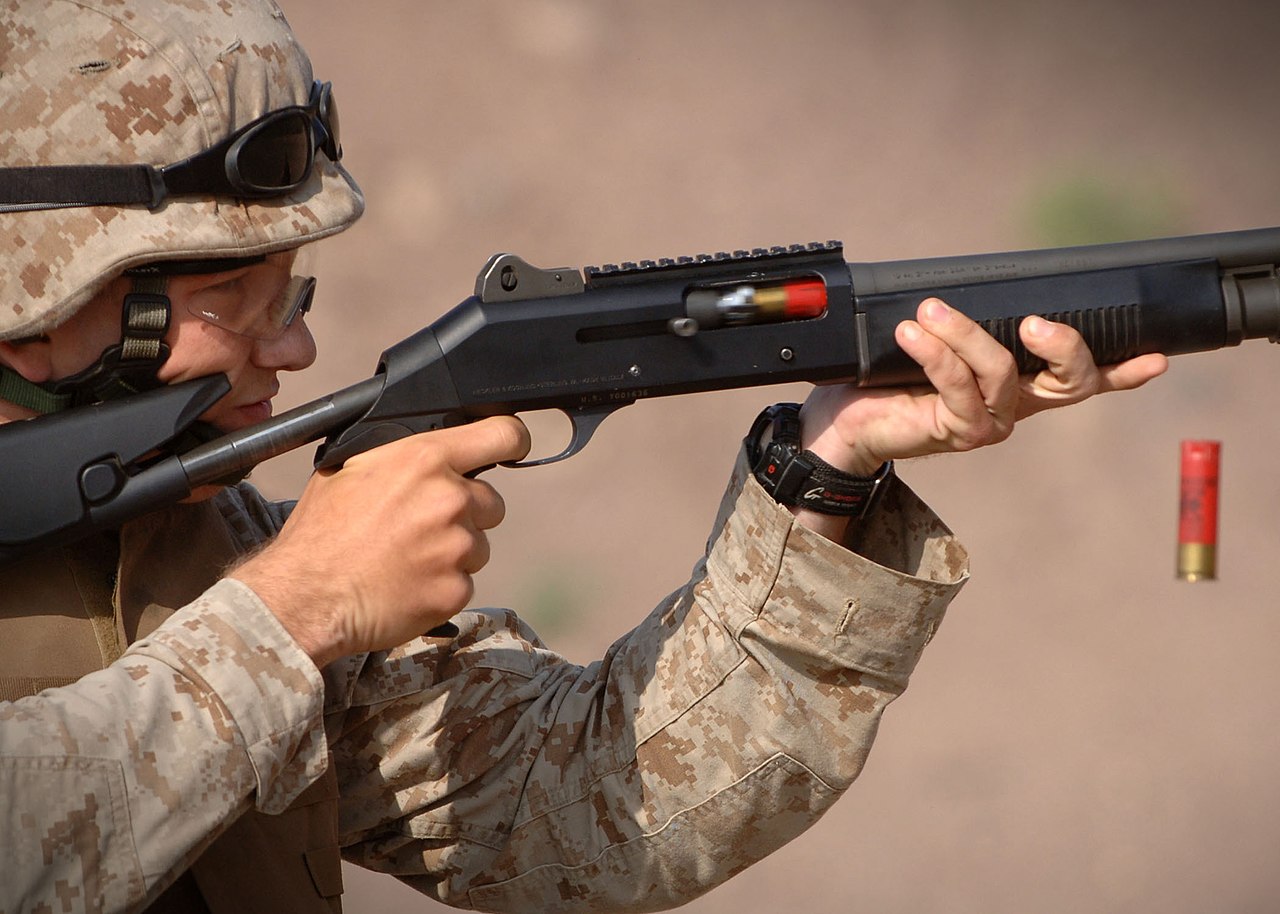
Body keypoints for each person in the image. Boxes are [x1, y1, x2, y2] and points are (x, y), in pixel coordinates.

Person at [0, 1, 1168, 912]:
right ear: (41, 302)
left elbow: (593, 807)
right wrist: (288, 613)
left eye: (290, 293)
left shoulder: (203, 548)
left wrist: (828, 467)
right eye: (230, 298)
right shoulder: (269, 587)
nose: (297, 345)